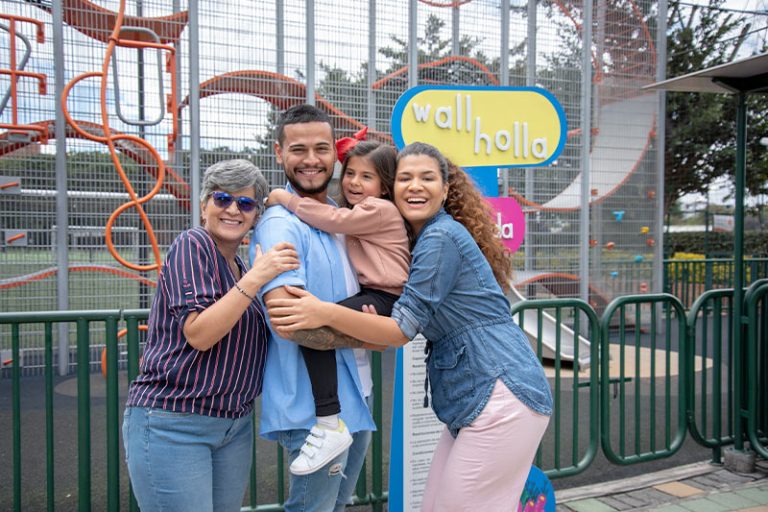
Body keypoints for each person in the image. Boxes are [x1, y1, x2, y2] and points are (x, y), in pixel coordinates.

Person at [267, 142, 554, 511]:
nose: (415, 186)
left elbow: (401, 330)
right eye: (406, 178)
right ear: (392, 186)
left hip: (501, 391)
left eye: (427, 178)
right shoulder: (416, 239)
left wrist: (323, 312)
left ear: (446, 189)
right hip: (477, 397)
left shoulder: (440, 238)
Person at [122, 159, 299, 512]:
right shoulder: (194, 244)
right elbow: (199, 333)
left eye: (246, 203)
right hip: (175, 421)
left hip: (233, 425)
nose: (233, 209)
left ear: (255, 216)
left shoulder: (244, 267)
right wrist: (257, 279)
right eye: (222, 199)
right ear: (204, 206)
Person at [250, 104, 377, 512]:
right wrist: (381, 331)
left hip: (358, 393)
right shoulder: (281, 224)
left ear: (335, 154)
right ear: (279, 152)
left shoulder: (341, 219)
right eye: (298, 149)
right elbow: (291, 322)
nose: (310, 160)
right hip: (312, 409)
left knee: (337, 507)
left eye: (321, 148)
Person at [266, 139, 409, 476]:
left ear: (385, 186)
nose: (354, 183)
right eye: (351, 174)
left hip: (384, 296)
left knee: (310, 328)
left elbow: (330, 218)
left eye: (367, 177)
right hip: (378, 295)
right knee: (312, 332)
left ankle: (328, 423)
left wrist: (285, 198)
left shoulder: (379, 209)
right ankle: (329, 421)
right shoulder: (365, 211)